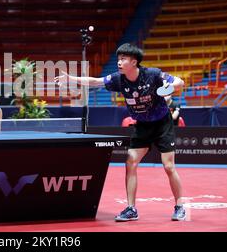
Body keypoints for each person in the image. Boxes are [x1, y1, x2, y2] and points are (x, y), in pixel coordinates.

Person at [55, 43, 186, 221]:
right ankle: (131, 209)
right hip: (142, 125)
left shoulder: (152, 74)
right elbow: (95, 81)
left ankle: (180, 206)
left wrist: (168, 89)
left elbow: (180, 82)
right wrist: (72, 78)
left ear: (134, 62)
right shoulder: (119, 79)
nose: (119, 62)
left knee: (169, 166)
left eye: (123, 59)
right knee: (130, 162)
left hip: (162, 124)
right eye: (118, 59)